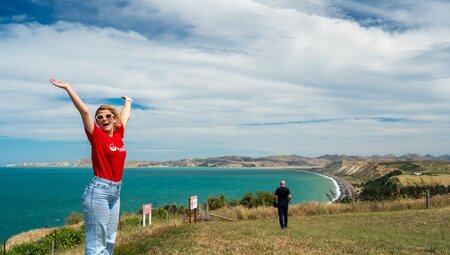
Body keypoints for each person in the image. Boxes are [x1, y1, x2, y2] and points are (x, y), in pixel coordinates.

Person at [50, 78, 132, 255]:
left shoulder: (118, 134)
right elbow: (84, 112)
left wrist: (128, 101)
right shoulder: (96, 136)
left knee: (110, 239)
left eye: (108, 116)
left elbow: (125, 115)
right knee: (96, 243)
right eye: (100, 117)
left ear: (114, 119)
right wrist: (68, 88)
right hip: (99, 192)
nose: (104, 119)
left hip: (116, 192)